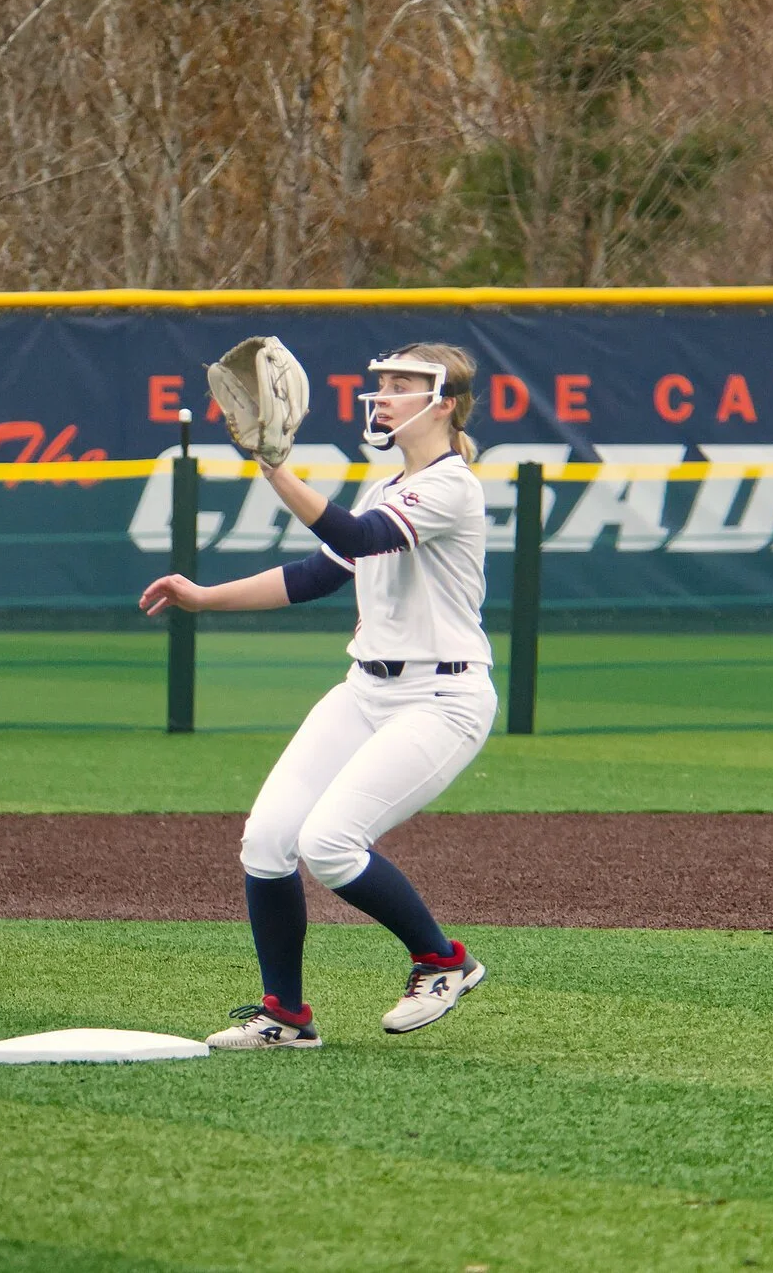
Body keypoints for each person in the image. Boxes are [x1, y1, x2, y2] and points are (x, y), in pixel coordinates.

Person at [138, 342, 495, 1049]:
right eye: (382, 383)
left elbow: (357, 536)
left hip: (442, 698)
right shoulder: (387, 486)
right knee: (267, 841)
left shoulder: (452, 486)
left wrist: (274, 467)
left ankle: (443, 961)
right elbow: (316, 575)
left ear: (443, 403)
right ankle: (286, 1016)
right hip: (365, 690)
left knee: (329, 843)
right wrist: (205, 597)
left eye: (401, 384)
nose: (383, 395)